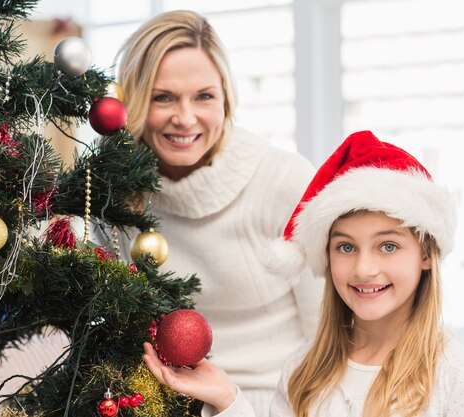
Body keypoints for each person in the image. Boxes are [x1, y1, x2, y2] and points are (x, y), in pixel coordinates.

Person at [142, 130, 464, 417]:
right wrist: (227, 399)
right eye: (346, 247)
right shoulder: (304, 370)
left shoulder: (463, 377)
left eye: (388, 246)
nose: (364, 269)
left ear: (426, 253)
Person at [106, 10, 323, 414]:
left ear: (226, 98)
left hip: (279, 402)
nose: (185, 118)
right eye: (162, 97)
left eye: (203, 96)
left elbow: (330, 334)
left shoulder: (282, 180)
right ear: (133, 101)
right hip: (159, 401)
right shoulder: (114, 195)